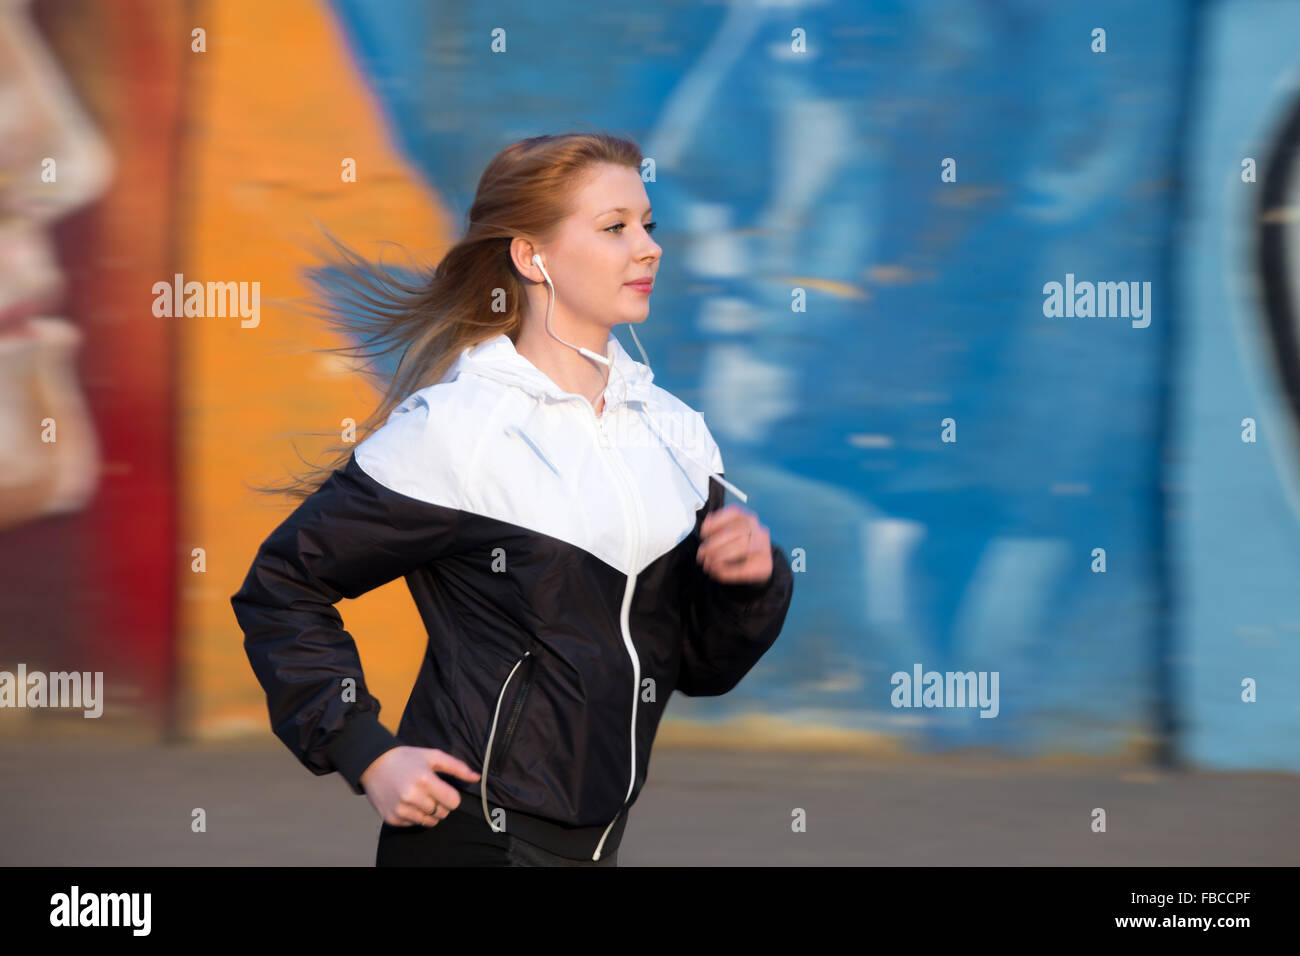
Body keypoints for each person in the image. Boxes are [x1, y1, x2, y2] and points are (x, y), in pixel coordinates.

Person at [230, 132, 795, 867]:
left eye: (648, 223)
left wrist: (749, 585)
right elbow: (282, 588)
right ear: (532, 258)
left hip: (596, 844)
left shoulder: (676, 434)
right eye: (614, 227)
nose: (649, 248)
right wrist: (365, 751)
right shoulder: (458, 429)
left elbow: (699, 667)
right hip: (474, 836)